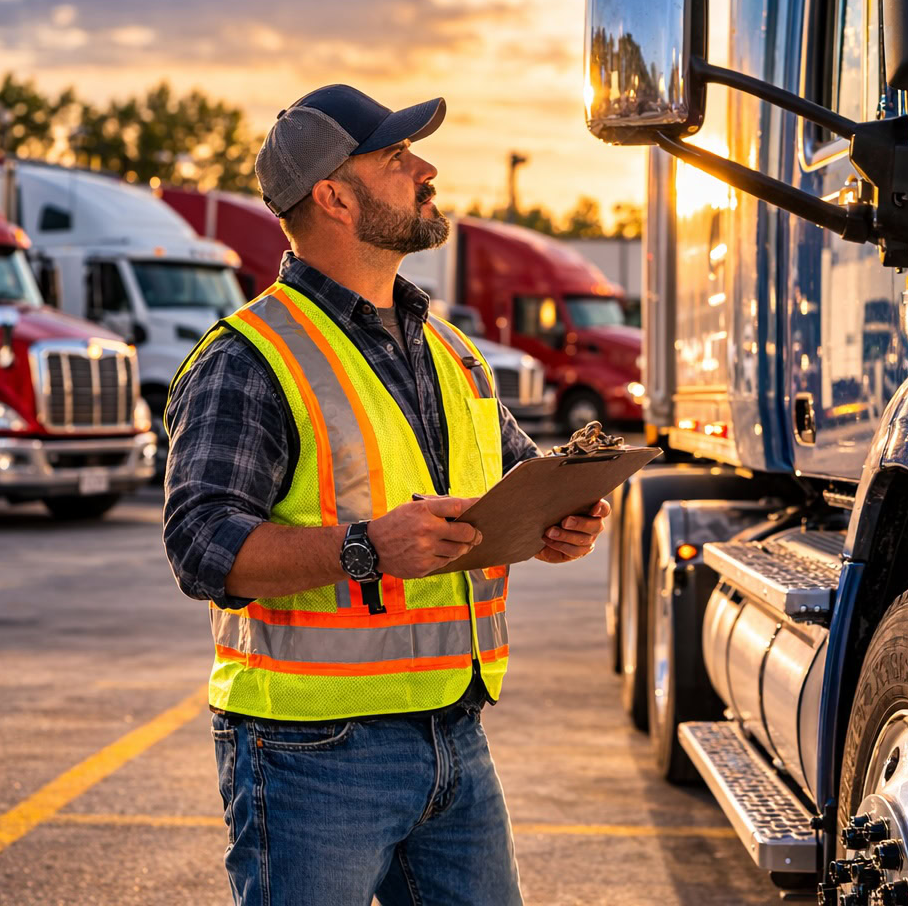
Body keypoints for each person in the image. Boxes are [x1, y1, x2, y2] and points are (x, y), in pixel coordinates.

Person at [162, 83, 609, 906]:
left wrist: (560, 517)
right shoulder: (250, 355)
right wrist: (366, 548)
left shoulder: (446, 346)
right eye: (397, 159)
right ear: (333, 195)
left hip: (455, 732)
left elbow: (515, 476)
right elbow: (201, 546)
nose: (426, 168)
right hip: (311, 753)